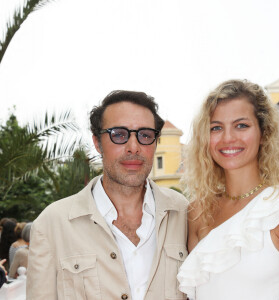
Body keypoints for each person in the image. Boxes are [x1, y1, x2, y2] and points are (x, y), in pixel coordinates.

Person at [27, 90, 188, 299]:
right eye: (119, 134)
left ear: (155, 143)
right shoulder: (52, 224)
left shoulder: (183, 213)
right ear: (97, 143)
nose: (133, 147)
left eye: (145, 135)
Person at [177, 79, 279, 300]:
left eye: (241, 125)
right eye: (216, 128)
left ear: (264, 133)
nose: (228, 138)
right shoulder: (198, 211)